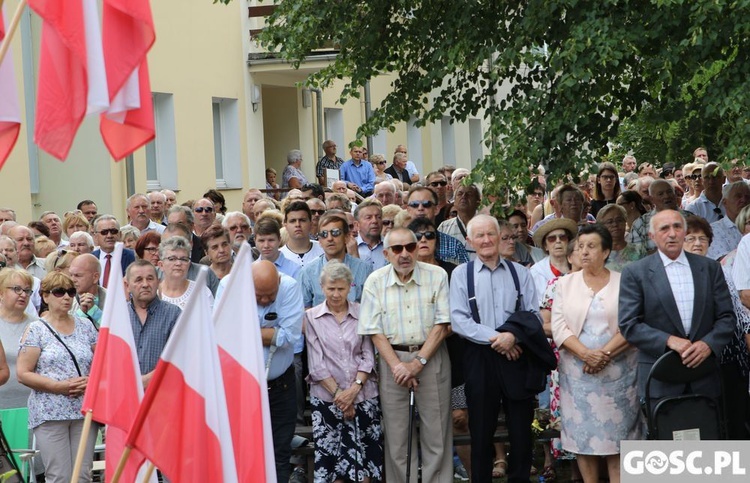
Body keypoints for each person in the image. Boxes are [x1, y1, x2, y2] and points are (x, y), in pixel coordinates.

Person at [450, 215, 554, 482]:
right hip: (480, 357)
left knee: (520, 431)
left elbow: (531, 315)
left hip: (516, 355)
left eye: (491, 234)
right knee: (481, 430)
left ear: (499, 237)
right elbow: (459, 320)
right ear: (470, 241)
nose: (486, 240)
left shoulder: (520, 273)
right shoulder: (462, 274)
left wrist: (513, 337)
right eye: (480, 236)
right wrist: (498, 339)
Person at [359, 227, 453, 483]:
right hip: (393, 364)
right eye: (397, 249)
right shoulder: (375, 281)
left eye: (409, 247)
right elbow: (373, 331)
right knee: (397, 438)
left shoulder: (437, 275)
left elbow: (443, 324)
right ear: (386, 253)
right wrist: (399, 366)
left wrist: (418, 362)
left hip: (431, 359)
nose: (404, 254)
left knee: (437, 434)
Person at [619, 210, 735, 410]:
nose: (672, 234)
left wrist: (708, 344)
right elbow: (629, 325)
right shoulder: (635, 273)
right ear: (652, 237)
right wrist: (669, 341)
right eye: (664, 228)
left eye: (677, 227)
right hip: (661, 377)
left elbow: (726, 317)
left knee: (709, 439)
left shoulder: (709, 268)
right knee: (669, 441)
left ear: (684, 232)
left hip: (704, 375)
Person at [551, 224, 640, 482]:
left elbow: (631, 324)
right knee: (584, 437)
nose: (584, 252)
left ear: (606, 252)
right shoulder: (565, 284)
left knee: (620, 439)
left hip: (619, 372)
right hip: (579, 373)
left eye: (591, 246)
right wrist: (586, 355)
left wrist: (603, 354)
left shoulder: (624, 282)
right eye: (580, 246)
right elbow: (558, 326)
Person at [304, 261, 383, 482]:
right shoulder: (311, 317)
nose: (336, 294)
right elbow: (316, 364)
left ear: (351, 287)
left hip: (364, 397)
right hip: (327, 401)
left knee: (366, 465)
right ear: (322, 288)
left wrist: (353, 392)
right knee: (332, 468)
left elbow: (368, 356)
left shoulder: (362, 313)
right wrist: (341, 397)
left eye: (341, 288)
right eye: (331, 288)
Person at [17, 272, 99, 483]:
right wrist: (57, 386)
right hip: (50, 412)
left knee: (83, 475)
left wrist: (91, 379)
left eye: (71, 292)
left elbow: (103, 363)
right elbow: (23, 373)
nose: (66, 297)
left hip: (84, 410)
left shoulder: (86, 326)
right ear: (45, 296)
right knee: (59, 476)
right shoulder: (36, 329)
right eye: (59, 292)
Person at [247, 261, 303, 483]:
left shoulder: (289, 287)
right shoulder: (229, 286)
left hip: (281, 385)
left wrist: (247, 329)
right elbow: (224, 333)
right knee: (247, 453)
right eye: (258, 295)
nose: (264, 301)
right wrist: (271, 333)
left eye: (270, 295)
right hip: (245, 387)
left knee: (280, 454)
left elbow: (288, 337)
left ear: (278, 282)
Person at [125, 260, 182, 385]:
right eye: (138, 280)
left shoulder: (174, 314)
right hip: (125, 393)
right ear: (127, 285)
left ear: (158, 282)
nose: (145, 284)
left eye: (150, 279)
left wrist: (146, 381)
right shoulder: (118, 315)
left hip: (163, 393)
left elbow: (181, 358)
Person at [0, 268, 34, 410]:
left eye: (27, 291)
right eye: (17, 289)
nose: (23, 295)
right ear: (1, 293)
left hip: (31, 405)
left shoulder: (38, 327)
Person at [529, 218, 578, 306]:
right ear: (545, 246)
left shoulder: (579, 265)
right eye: (552, 239)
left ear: (568, 241)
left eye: (562, 237)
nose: (558, 241)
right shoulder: (536, 272)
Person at [158, 236, 214, 310]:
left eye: (184, 259)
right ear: (161, 265)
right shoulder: (153, 293)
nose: (178, 263)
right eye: (172, 259)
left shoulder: (201, 292)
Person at [707, 181, 750, 260]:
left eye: (747, 197)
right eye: (738, 196)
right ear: (725, 202)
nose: (743, 200)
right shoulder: (714, 229)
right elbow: (725, 262)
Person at [597, 204, 646, 271]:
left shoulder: (639, 250)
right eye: (610, 222)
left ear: (625, 222)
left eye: (619, 220)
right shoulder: (597, 253)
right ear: (601, 226)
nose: (615, 224)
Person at [92, 215, 136, 288]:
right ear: (96, 237)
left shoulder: (132, 257)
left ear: (120, 234)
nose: (109, 235)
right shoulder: (91, 259)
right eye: (104, 232)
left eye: (113, 231)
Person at [279, 202, 325, 268]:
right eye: (292, 221)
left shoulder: (323, 250)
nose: (298, 224)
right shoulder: (279, 256)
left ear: (311, 223)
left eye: (302, 220)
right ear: (285, 225)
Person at [68, 254, 106, 327]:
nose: (72, 280)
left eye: (77, 275)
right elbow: (67, 330)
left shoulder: (112, 299)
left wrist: (94, 311)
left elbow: (115, 330)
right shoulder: (64, 298)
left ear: (95, 277)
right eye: (70, 275)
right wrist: (81, 312)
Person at [354, 199, 386, 270]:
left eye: (378, 217)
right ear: (357, 225)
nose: (374, 221)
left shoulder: (390, 246)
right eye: (368, 218)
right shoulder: (349, 247)